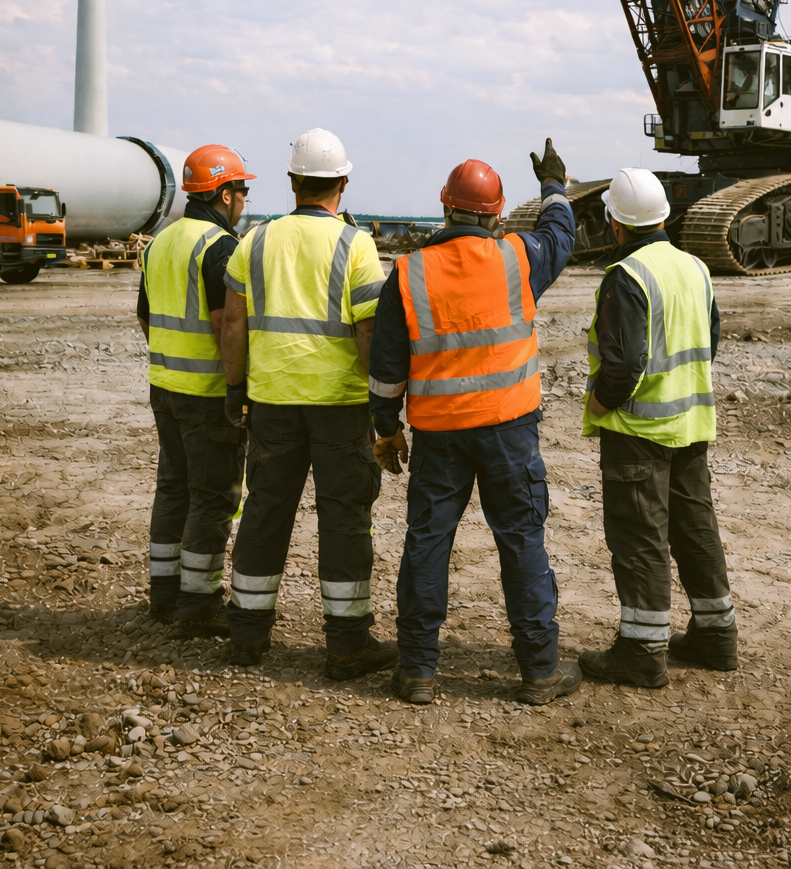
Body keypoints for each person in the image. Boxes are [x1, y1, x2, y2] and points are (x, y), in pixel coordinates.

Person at [370, 140, 579, 707]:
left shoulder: (409, 274)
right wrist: (555, 185)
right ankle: (539, 673)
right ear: (494, 214)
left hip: (438, 436)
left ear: (445, 209)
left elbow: (386, 367)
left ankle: (417, 671)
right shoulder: (518, 258)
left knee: (428, 545)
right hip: (509, 431)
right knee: (522, 542)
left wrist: (386, 430)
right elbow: (563, 235)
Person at [218, 128, 391, 677]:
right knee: (344, 520)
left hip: (271, 404)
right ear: (342, 182)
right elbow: (369, 335)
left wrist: (233, 389)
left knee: (265, 514)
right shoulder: (355, 244)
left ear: (292, 182)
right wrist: (382, 407)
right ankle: (346, 644)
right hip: (340, 408)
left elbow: (232, 324)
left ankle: (246, 635)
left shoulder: (255, 241)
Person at [577, 167, 736, 688]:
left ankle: (643, 651)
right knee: (695, 530)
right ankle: (716, 637)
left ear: (616, 224)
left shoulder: (627, 275)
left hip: (640, 431)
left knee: (640, 537)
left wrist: (600, 403)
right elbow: (709, 342)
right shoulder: (696, 267)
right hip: (692, 424)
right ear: (664, 215)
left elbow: (623, 366)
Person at [139, 144, 256, 636]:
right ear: (225, 193)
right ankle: (198, 602)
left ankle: (164, 593)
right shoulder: (219, 246)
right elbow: (225, 325)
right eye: (243, 190)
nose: (245, 200)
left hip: (164, 386)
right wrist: (237, 388)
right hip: (206, 393)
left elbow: (145, 316)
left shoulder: (161, 241)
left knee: (173, 487)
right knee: (212, 496)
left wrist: (169, 362)